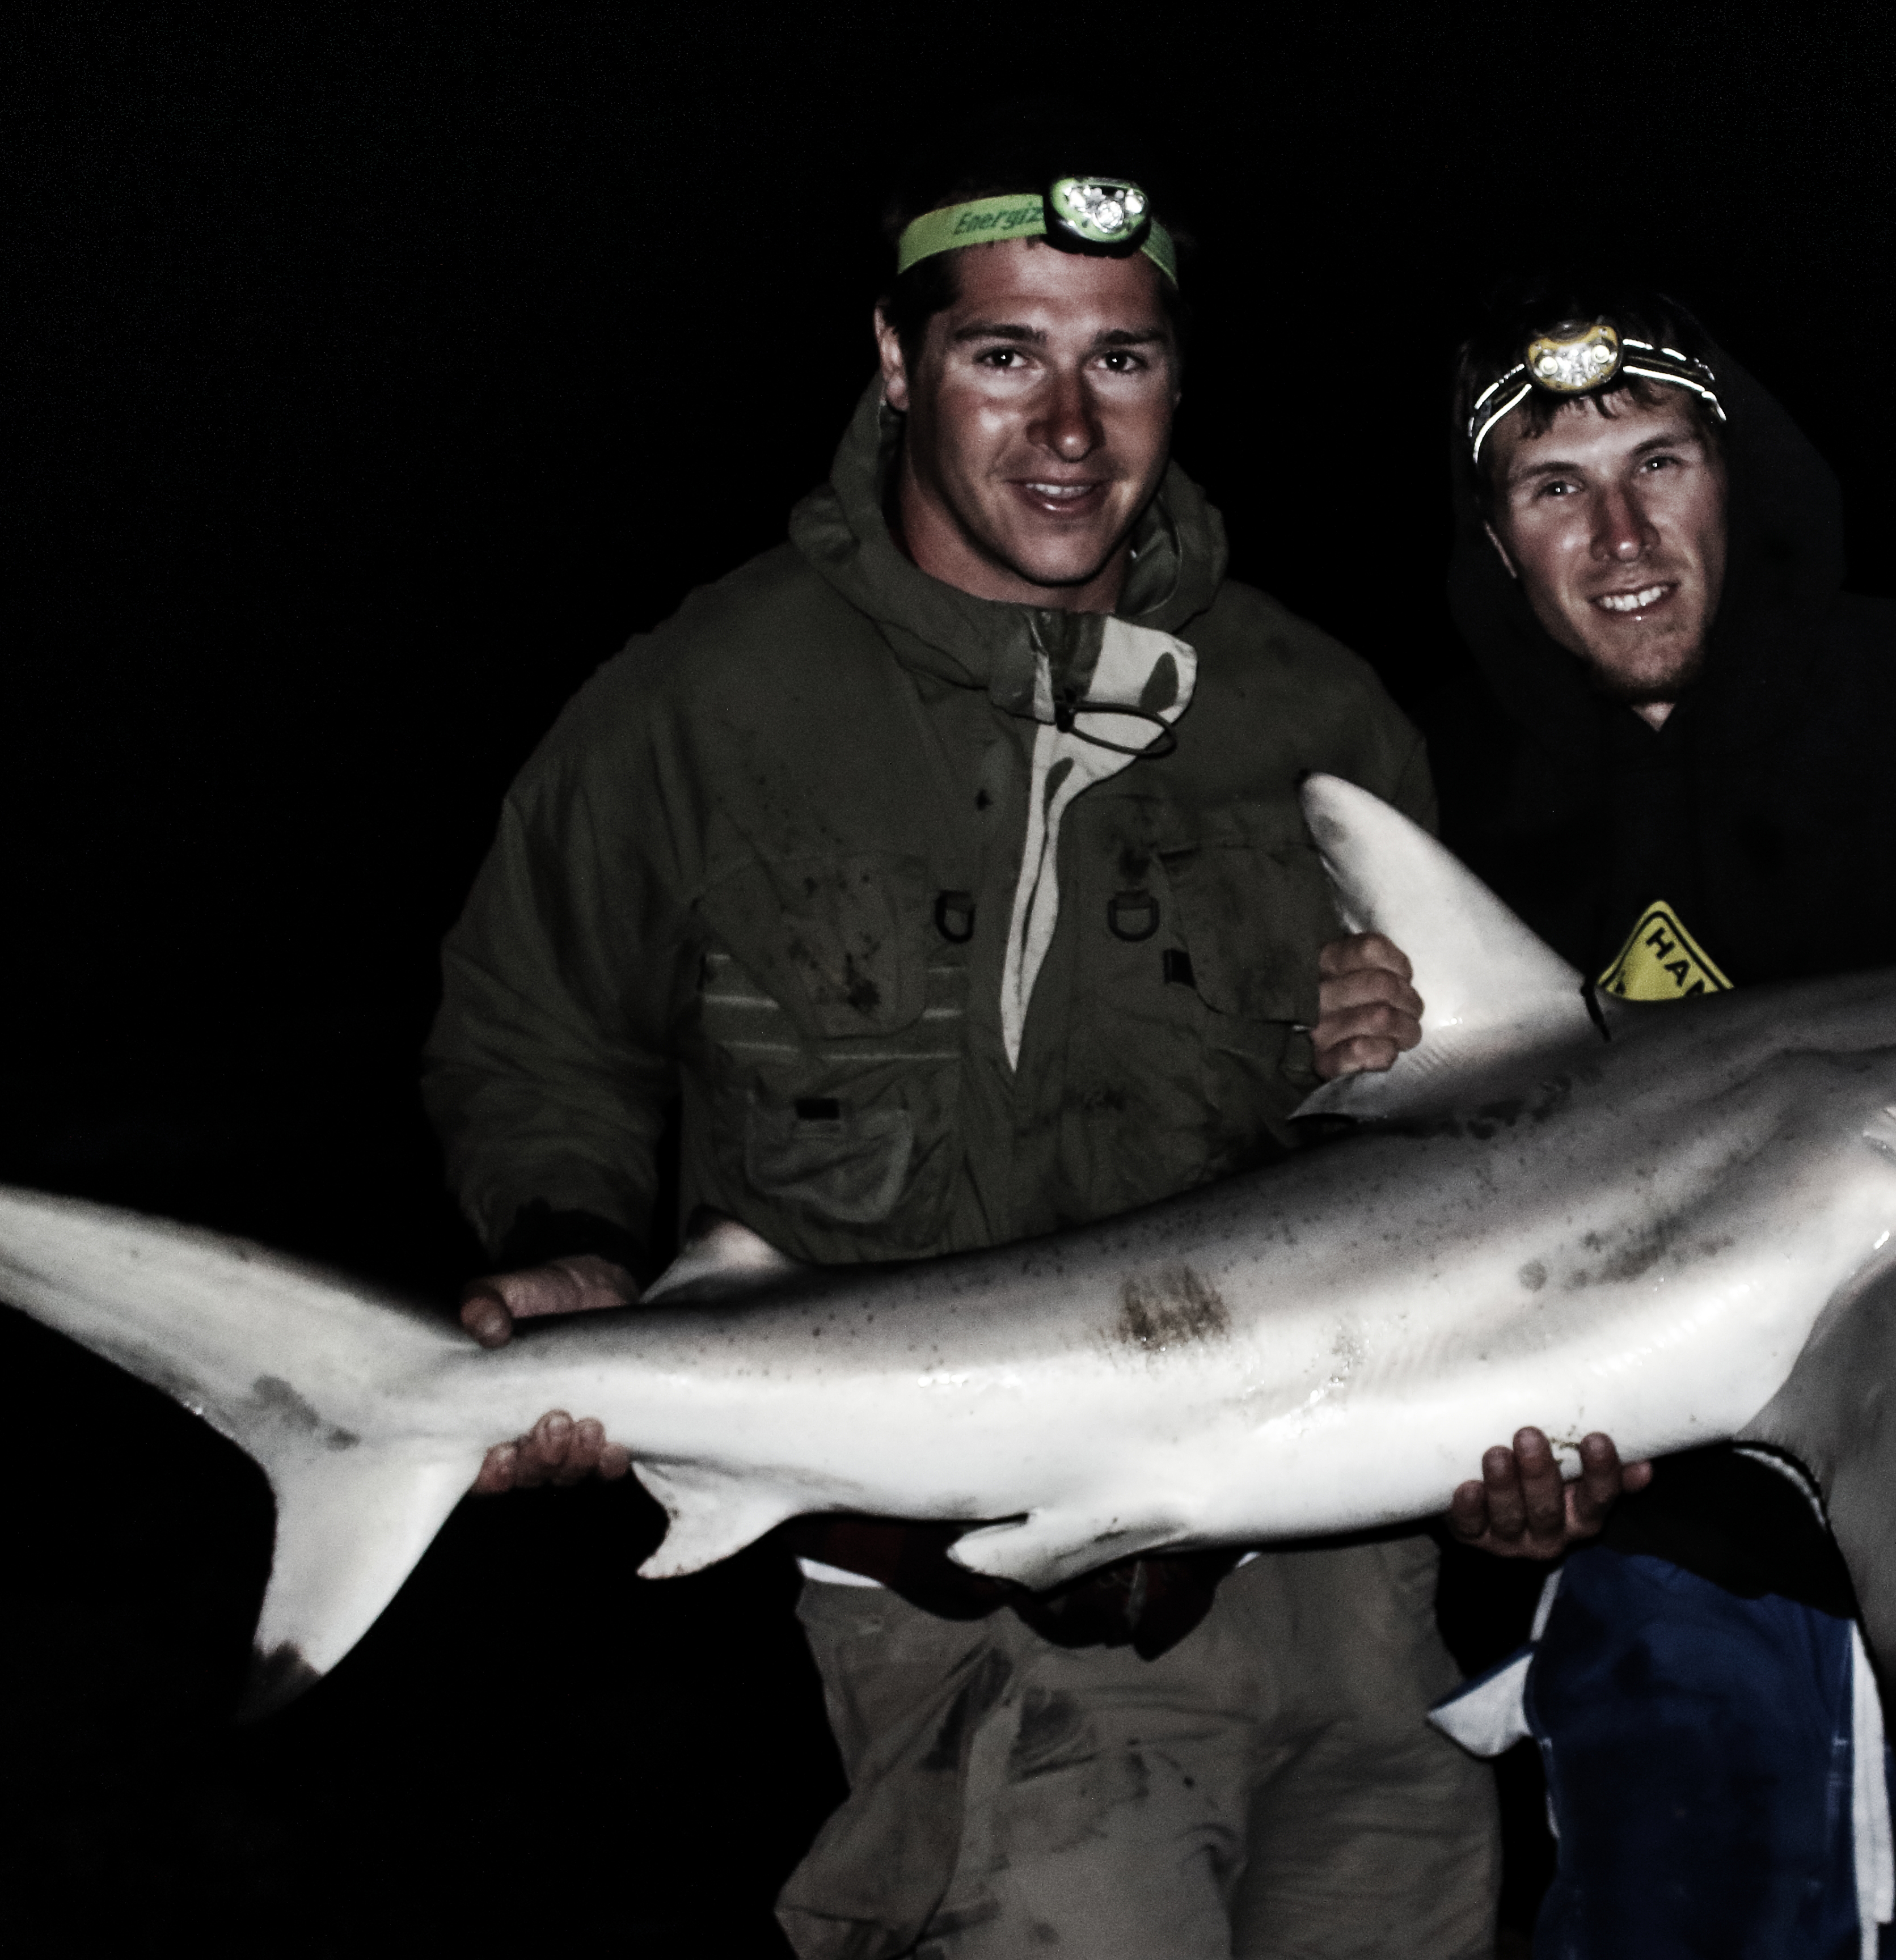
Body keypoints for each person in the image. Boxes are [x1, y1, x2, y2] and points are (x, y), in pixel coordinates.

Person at [422, 108, 1504, 1960]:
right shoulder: (701, 706)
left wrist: (1399, 1064)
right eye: (1007, 356)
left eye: (1123, 362)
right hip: (975, 1623)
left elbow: (1458, 1126)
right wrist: (564, 1242)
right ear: (897, 362)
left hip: (1363, 1610)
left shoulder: (1315, 710)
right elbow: (536, 1031)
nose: (1070, 431)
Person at [1311, 289, 1896, 1959]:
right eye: (1553, 487)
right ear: (1496, 542)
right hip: (1663, 1579)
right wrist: (1480, 1498)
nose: (1624, 532)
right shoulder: (1444, 788)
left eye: (1661, 462)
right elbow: (1377, 1240)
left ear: (1743, 476)